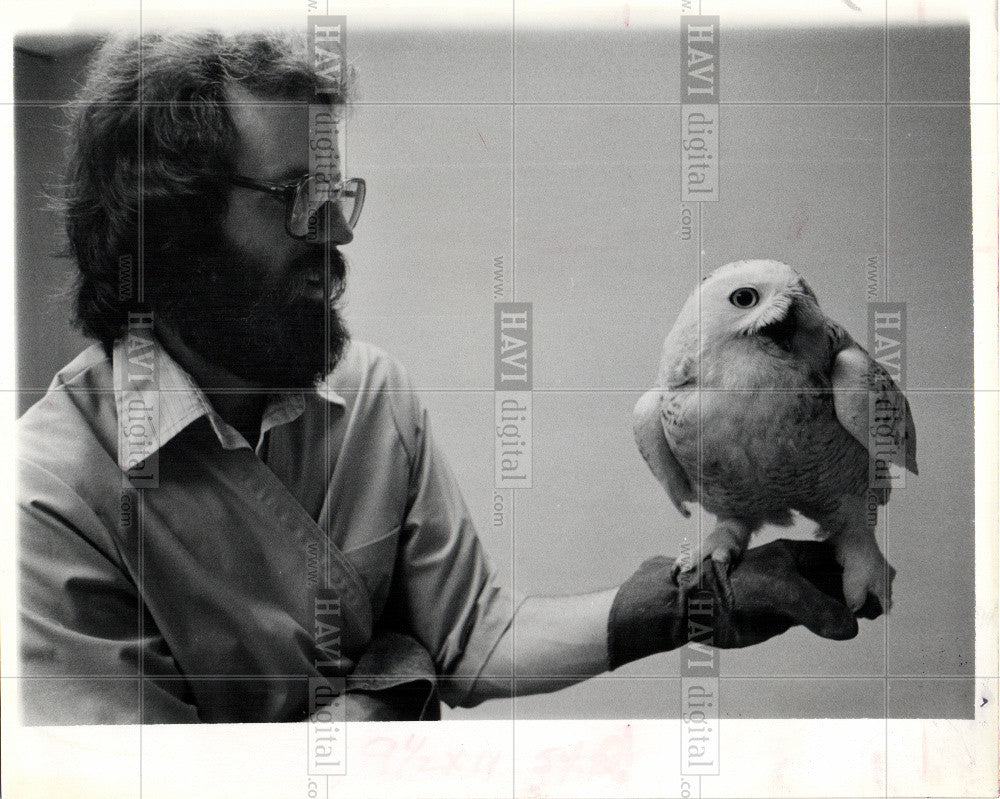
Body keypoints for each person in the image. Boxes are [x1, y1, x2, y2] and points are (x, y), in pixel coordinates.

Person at [17, 31, 867, 725]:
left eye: (337, 194)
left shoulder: (376, 397)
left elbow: (467, 635)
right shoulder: (48, 495)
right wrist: (386, 688)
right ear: (166, 225)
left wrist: (678, 608)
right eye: (293, 197)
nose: (336, 236)